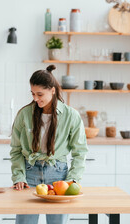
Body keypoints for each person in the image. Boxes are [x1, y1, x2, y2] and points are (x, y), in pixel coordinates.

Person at [10, 65, 88, 224]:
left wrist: (72, 180)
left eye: (40, 94)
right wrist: (19, 176)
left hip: (59, 176)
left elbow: (80, 152)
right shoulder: (24, 114)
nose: (35, 99)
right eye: (33, 94)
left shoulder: (71, 115)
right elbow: (16, 150)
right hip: (29, 175)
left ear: (52, 90)